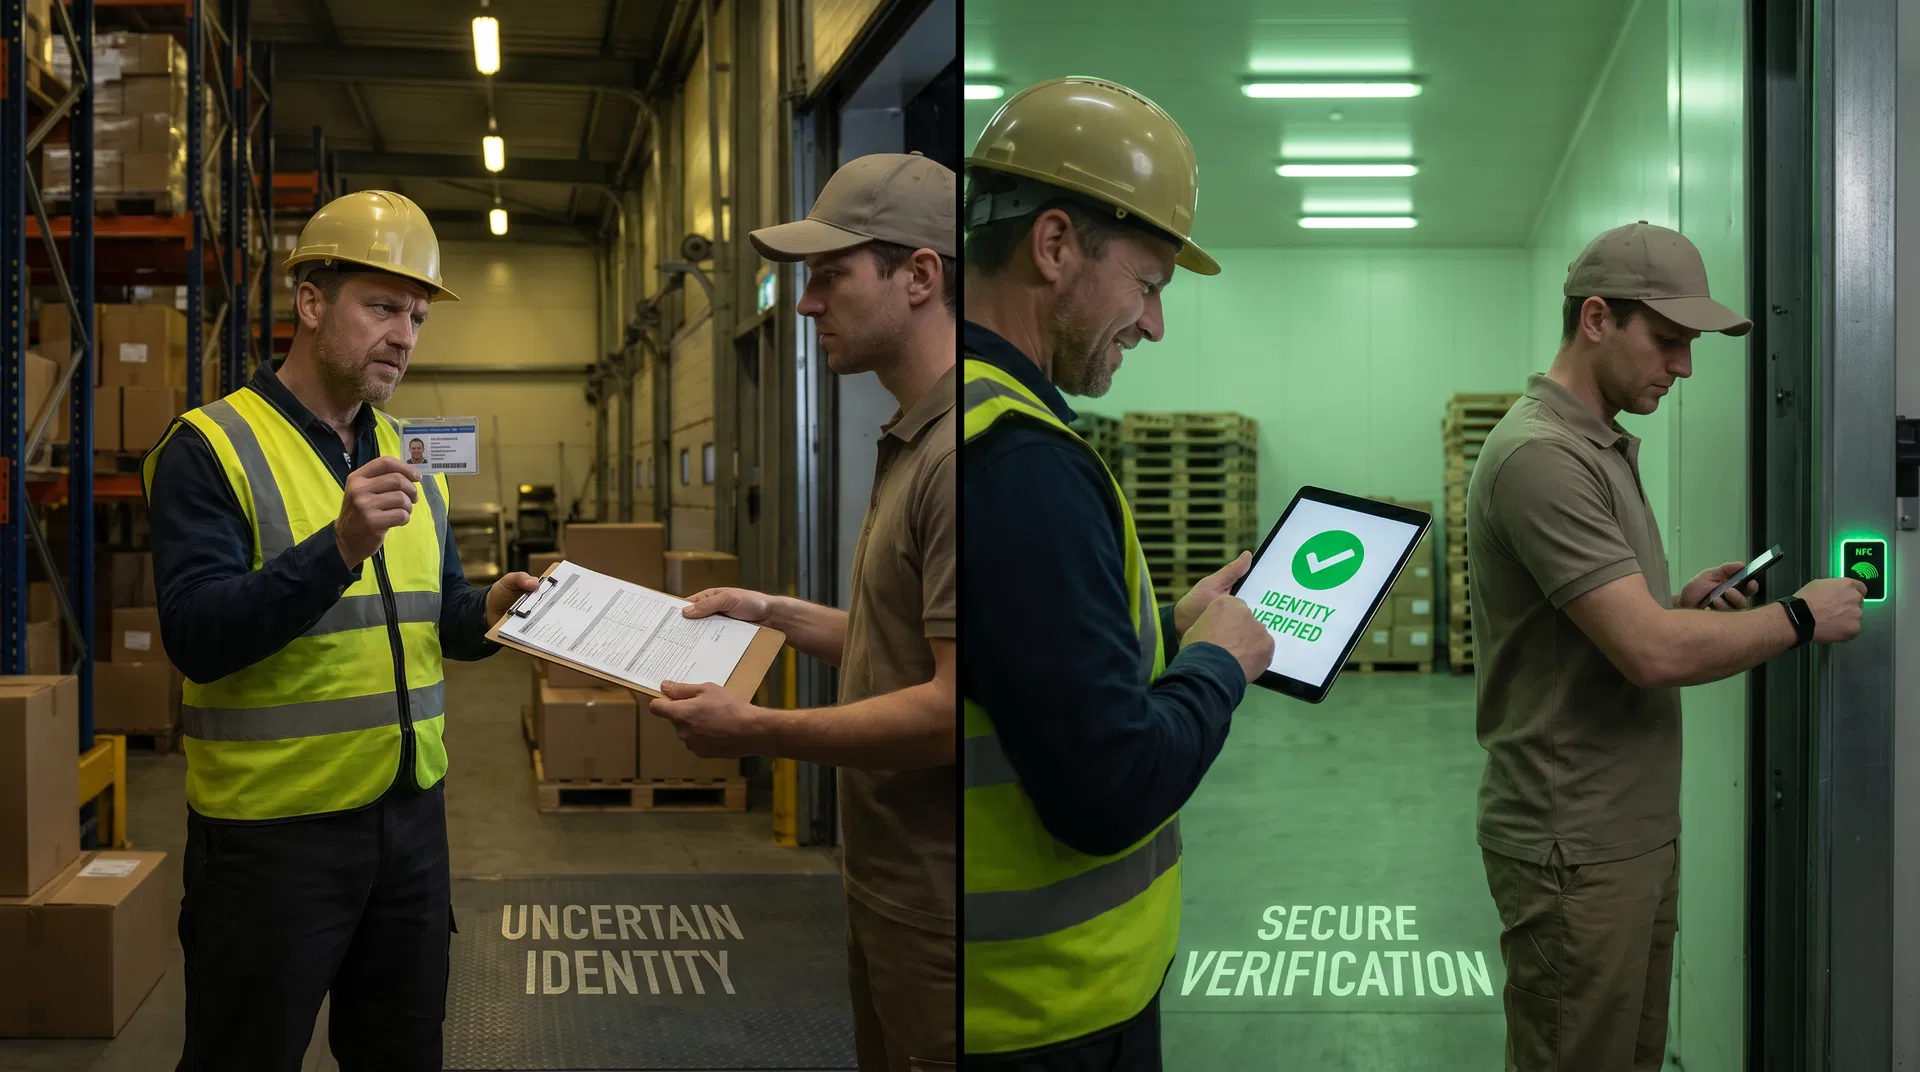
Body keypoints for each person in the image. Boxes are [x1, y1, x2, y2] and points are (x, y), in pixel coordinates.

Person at [140, 189, 540, 1070]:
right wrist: (339, 547)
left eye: (419, 315)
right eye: (383, 307)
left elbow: (438, 621)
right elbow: (197, 633)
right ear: (311, 302)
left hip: (409, 828)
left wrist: (498, 609)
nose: (404, 335)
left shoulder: (404, 454)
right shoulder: (209, 448)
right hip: (271, 842)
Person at [1467, 220, 1865, 1071]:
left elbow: (1618, 627)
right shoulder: (1542, 457)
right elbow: (1648, 654)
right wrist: (1799, 617)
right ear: (1598, 319)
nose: (1684, 367)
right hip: (1574, 844)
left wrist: (1684, 606)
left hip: (1627, 830)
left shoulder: (1599, 446)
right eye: (1670, 341)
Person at [958, 76, 1276, 1068]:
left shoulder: (978, 413)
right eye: (1148, 285)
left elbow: (1022, 669)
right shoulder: (1021, 459)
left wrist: (1170, 638)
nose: (1154, 325)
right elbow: (1107, 790)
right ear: (1054, 246)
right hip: (1045, 1014)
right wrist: (1217, 666)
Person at [644, 152, 958, 1072]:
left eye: (829, 276)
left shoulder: (959, 456)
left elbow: (948, 708)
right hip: (886, 882)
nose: (807, 303)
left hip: (939, 902)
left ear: (920, 275)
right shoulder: (909, 439)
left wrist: (758, 728)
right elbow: (897, 646)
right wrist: (769, 610)